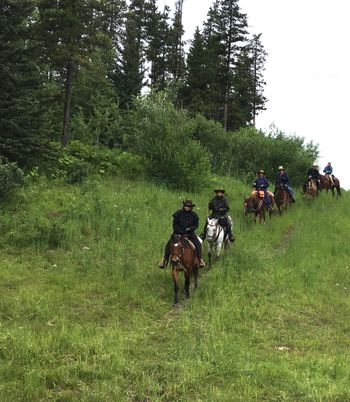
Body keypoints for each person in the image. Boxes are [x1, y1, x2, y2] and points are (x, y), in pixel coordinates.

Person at [158, 199, 205, 269]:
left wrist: (190, 229)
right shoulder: (178, 213)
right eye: (186, 206)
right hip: (178, 233)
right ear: (184, 206)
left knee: (197, 243)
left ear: (191, 207)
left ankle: (199, 259)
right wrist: (180, 231)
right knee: (169, 243)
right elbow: (175, 225)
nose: (187, 207)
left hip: (190, 233)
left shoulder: (194, 215)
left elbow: (196, 225)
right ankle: (165, 260)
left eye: (188, 206)